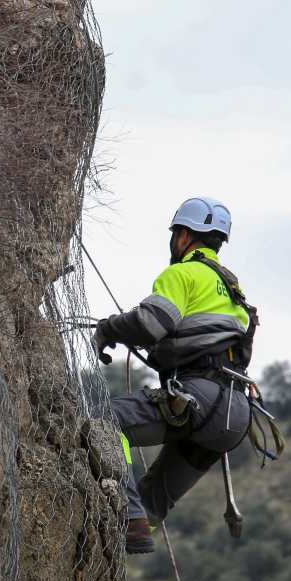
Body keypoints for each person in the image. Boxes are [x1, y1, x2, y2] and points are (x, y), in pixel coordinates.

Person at [92, 197, 258, 554]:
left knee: (106, 420)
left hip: (200, 399)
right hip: (233, 417)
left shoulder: (182, 274)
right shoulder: (232, 290)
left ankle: (130, 519)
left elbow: (151, 323)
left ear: (183, 236)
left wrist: (109, 329)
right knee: (153, 501)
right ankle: (124, 540)